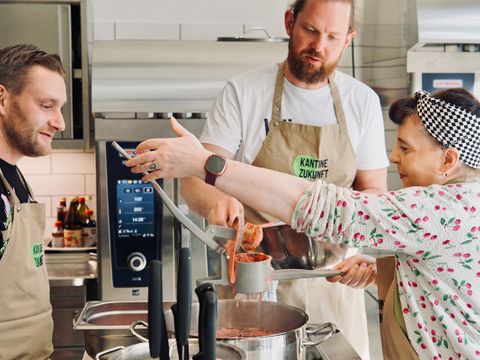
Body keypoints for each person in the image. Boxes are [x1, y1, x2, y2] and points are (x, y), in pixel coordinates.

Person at [127, 87, 480, 359]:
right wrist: (389, 270)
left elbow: (329, 209)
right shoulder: (465, 204)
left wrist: (207, 164)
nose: (392, 156)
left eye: (405, 148)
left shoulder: (443, 208)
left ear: (448, 159)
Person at [180, 0, 389, 357]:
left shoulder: (362, 102)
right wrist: (218, 202)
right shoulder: (243, 93)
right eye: (310, 30)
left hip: (334, 285)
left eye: (333, 36)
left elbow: (372, 194)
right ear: (290, 21)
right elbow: (196, 177)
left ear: (348, 40)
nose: (319, 46)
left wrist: (363, 256)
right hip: (256, 285)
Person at [0, 44, 66, 359]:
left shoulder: (14, 178)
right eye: (46, 105)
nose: (60, 122)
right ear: (2, 99)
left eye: (61, 108)